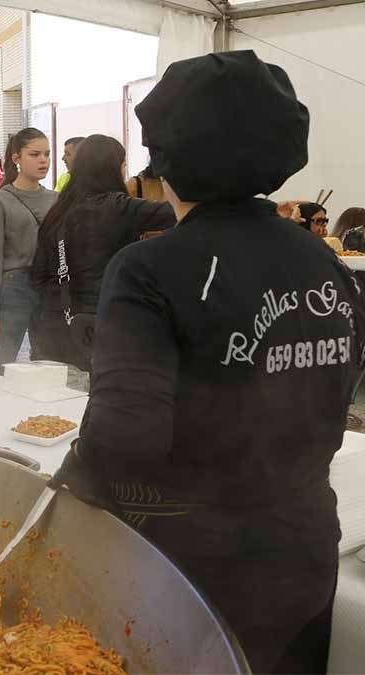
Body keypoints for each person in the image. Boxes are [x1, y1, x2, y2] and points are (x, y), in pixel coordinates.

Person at [52, 50, 363, 674]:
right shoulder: (326, 262)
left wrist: (72, 477)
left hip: (190, 568)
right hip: (303, 551)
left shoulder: (148, 269)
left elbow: (124, 438)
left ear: (165, 161)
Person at [30, 134, 175, 371]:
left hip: (53, 326)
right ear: (113, 168)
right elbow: (175, 212)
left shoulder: (59, 211)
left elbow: (37, 276)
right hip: (100, 327)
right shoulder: (118, 207)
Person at [0, 127, 56, 374]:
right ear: (16, 158)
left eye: (46, 154)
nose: (43, 160)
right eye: (34, 154)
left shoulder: (55, 199)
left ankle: (42, 413)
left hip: (48, 287)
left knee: (47, 366)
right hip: (13, 288)